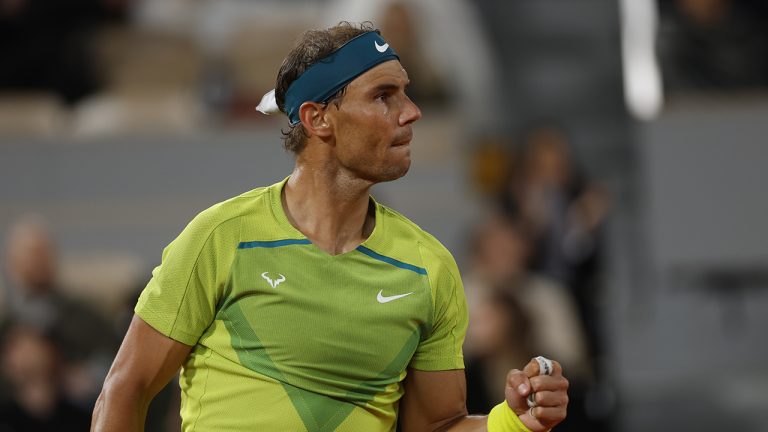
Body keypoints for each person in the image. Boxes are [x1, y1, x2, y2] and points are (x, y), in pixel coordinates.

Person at [91, 22, 569, 432]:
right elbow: (126, 387)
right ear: (318, 119)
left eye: (406, 92)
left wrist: (511, 421)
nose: (411, 112)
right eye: (384, 96)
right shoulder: (221, 237)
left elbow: (438, 424)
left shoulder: (430, 268)